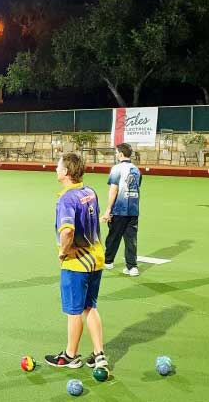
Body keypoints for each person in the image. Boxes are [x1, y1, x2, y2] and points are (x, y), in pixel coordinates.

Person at [45, 153, 109, 370]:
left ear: (66, 172)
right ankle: (99, 354)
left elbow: (67, 232)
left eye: (58, 166)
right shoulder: (89, 191)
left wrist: (63, 252)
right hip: (96, 258)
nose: (56, 169)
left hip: (77, 262)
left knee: (74, 311)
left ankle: (71, 355)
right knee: (90, 306)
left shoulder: (66, 199)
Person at [100, 143, 142, 276]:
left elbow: (114, 190)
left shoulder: (117, 168)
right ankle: (132, 267)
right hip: (133, 210)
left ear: (121, 154)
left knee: (113, 236)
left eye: (117, 152)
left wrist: (108, 210)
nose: (116, 154)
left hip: (119, 209)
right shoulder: (136, 170)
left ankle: (108, 261)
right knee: (131, 239)